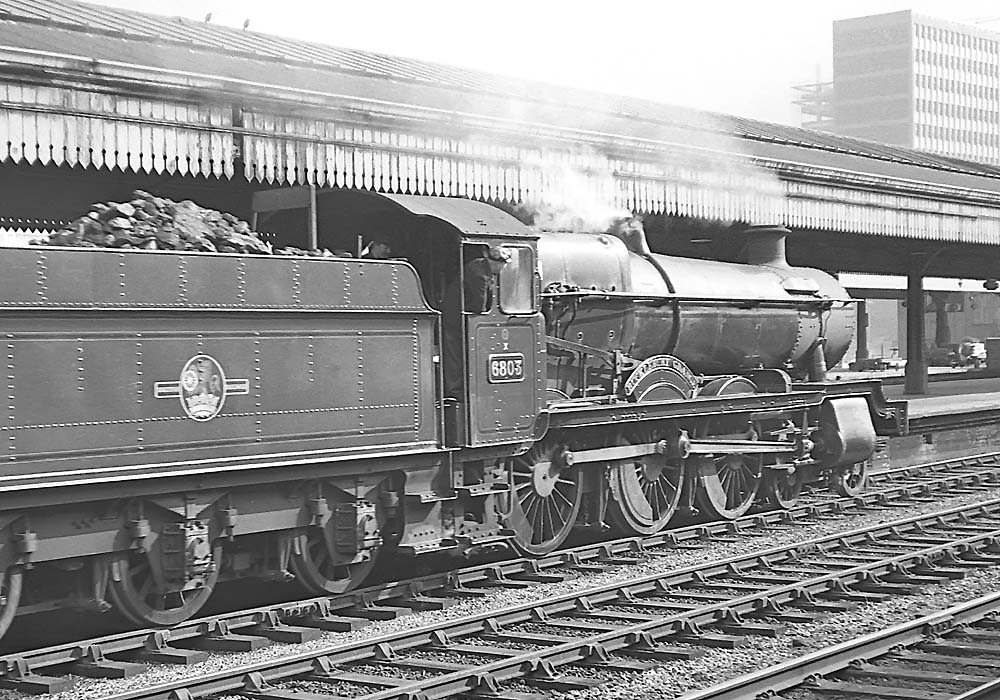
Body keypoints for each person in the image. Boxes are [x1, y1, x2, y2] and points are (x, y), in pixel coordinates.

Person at [442, 245, 510, 397]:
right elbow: (480, 306)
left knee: (455, 351)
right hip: (456, 316)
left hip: (455, 313)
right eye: (503, 265)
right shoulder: (481, 275)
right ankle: (456, 391)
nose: (503, 269)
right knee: (455, 352)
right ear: (497, 263)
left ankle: (458, 389)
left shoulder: (478, 264)